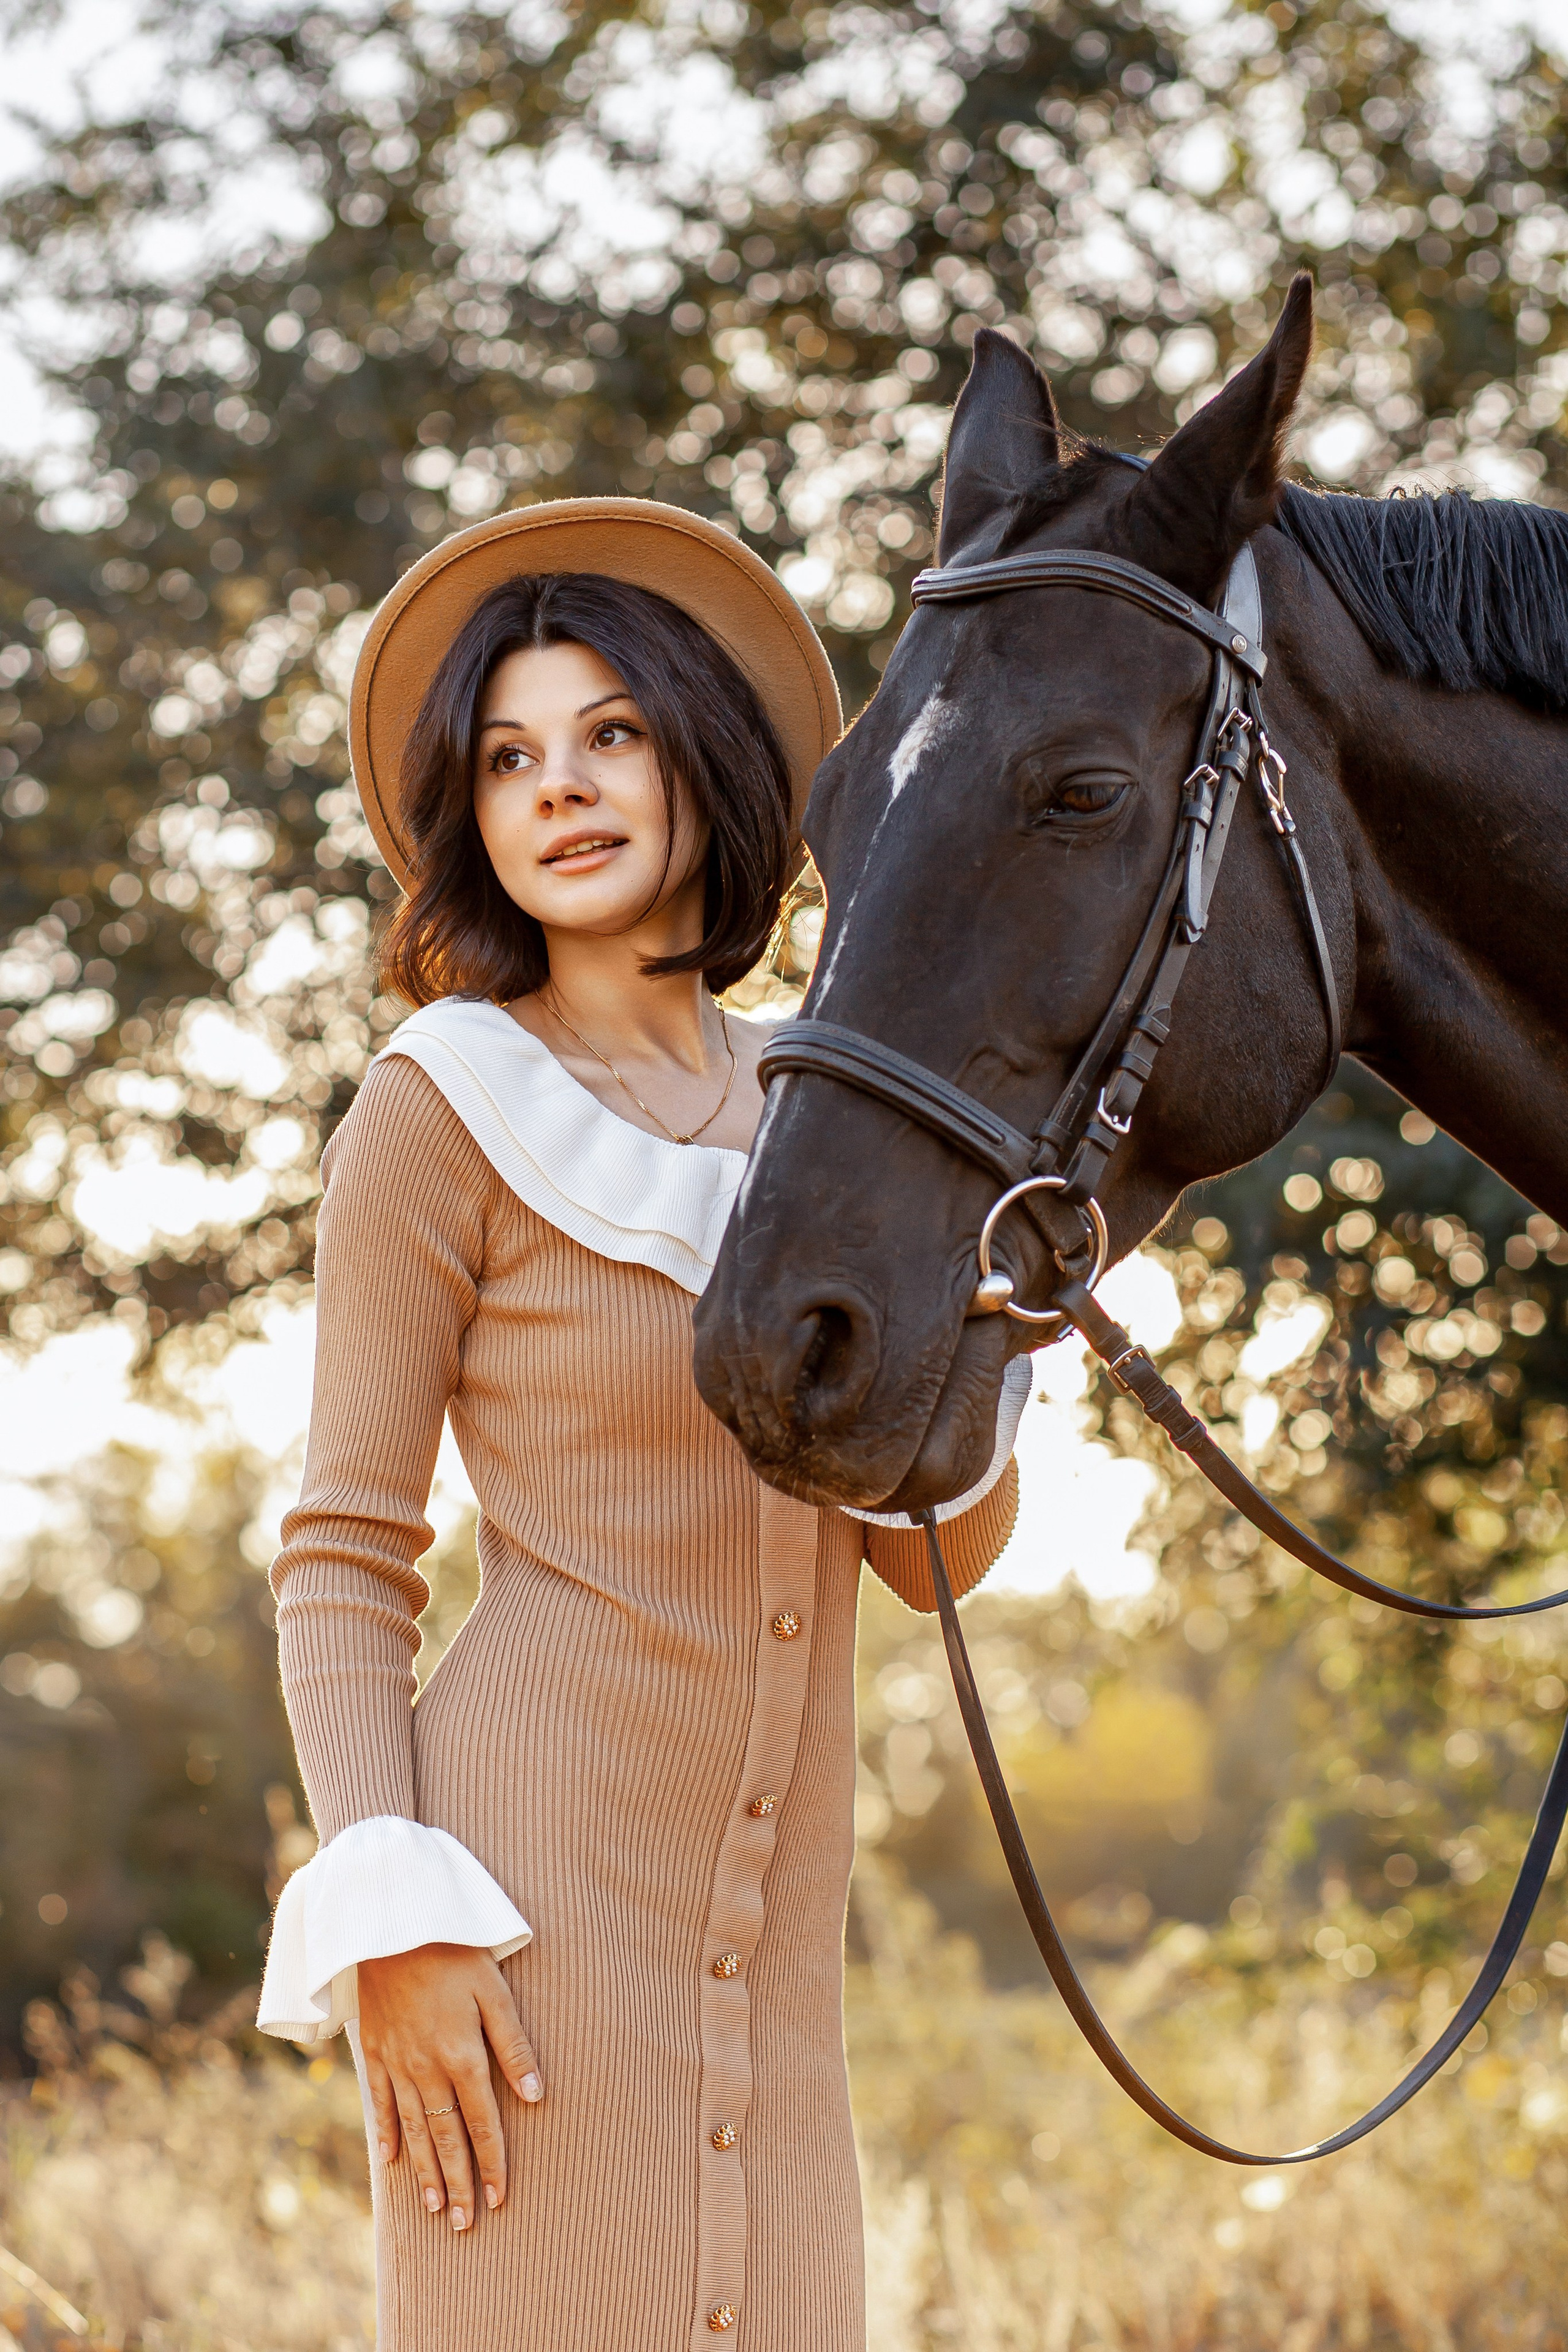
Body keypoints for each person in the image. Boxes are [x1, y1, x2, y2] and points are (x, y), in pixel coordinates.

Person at [256, 497, 1026, 2351]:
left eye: (609, 732)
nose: (561, 788)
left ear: (703, 753)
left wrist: (992, 1334)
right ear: (473, 814)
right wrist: (400, 1925)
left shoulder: (841, 1110)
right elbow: (346, 1551)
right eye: (510, 758)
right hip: (523, 1907)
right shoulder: (441, 1107)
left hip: (776, 1946)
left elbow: (937, 1562)